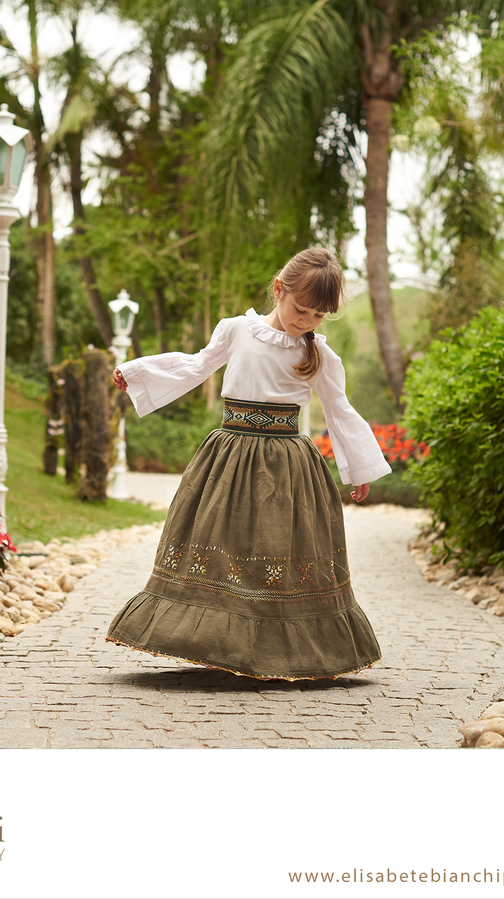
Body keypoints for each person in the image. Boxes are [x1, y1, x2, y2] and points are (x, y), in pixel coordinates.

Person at [106, 247, 392, 681]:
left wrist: (361, 469)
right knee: (222, 540)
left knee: (277, 547)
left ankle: (284, 651)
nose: (307, 321)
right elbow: (196, 365)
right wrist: (138, 372)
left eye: (318, 316)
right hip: (229, 459)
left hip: (288, 468)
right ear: (279, 289)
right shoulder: (237, 330)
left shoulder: (319, 356)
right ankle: (212, 641)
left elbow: (340, 410)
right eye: (301, 309)